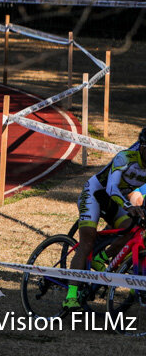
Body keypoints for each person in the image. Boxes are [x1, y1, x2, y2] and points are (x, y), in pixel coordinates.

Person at [66, 127, 146, 310]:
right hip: (96, 194)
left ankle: (101, 257)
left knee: (132, 229)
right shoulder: (125, 157)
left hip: (118, 199)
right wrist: (129, 207)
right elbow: (111, 189)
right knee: (87, 242)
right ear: (142, 147)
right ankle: (70, 295)